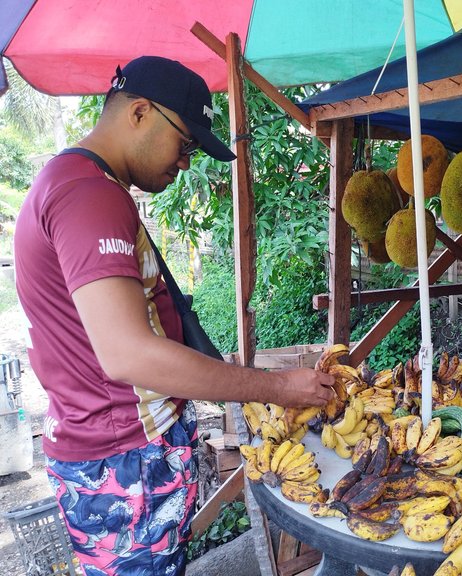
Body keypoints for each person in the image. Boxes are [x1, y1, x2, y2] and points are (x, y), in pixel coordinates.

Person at [14, 55, 335, 575]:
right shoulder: (88, 196)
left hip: (111, 453)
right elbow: (127, 354)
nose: (186, 162)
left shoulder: (70, 182)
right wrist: (276, 388)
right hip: (123, 462)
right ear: (139, 112)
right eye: (185, 144)